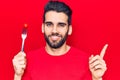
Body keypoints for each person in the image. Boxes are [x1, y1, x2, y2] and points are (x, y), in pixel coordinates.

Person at [12, 1, 108, 80]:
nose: (54, 30)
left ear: (69, 29)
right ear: (42, 27)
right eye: (49, 24)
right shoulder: (25, 61)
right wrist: (17, 75)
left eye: (61, 25)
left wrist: (97, 78)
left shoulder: (87, 62)